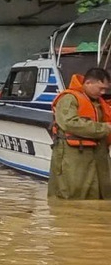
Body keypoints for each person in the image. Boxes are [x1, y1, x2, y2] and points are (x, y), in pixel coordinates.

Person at [46, 67, 111, 201]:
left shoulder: (98, 102)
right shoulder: (69, 98)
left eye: (106, 89)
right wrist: (104, 128)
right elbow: (69, 123)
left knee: (99, 196)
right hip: (73, 156)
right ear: (88, 83)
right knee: (70, 195)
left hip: (96, 156)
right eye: (101, 88)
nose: (103, 92)